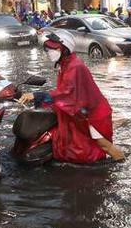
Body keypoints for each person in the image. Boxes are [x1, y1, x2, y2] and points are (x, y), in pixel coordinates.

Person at [18, 31, 125, 163]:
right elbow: (66, 92)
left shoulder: (75, 66)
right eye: (49, 49)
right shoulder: (65, 64)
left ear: (64, 49)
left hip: (91, 114)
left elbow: (67, 93)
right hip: (82, 111)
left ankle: (121, 165)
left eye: (54, 48)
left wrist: (38, 95)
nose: (50, 52)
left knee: (104, 145)